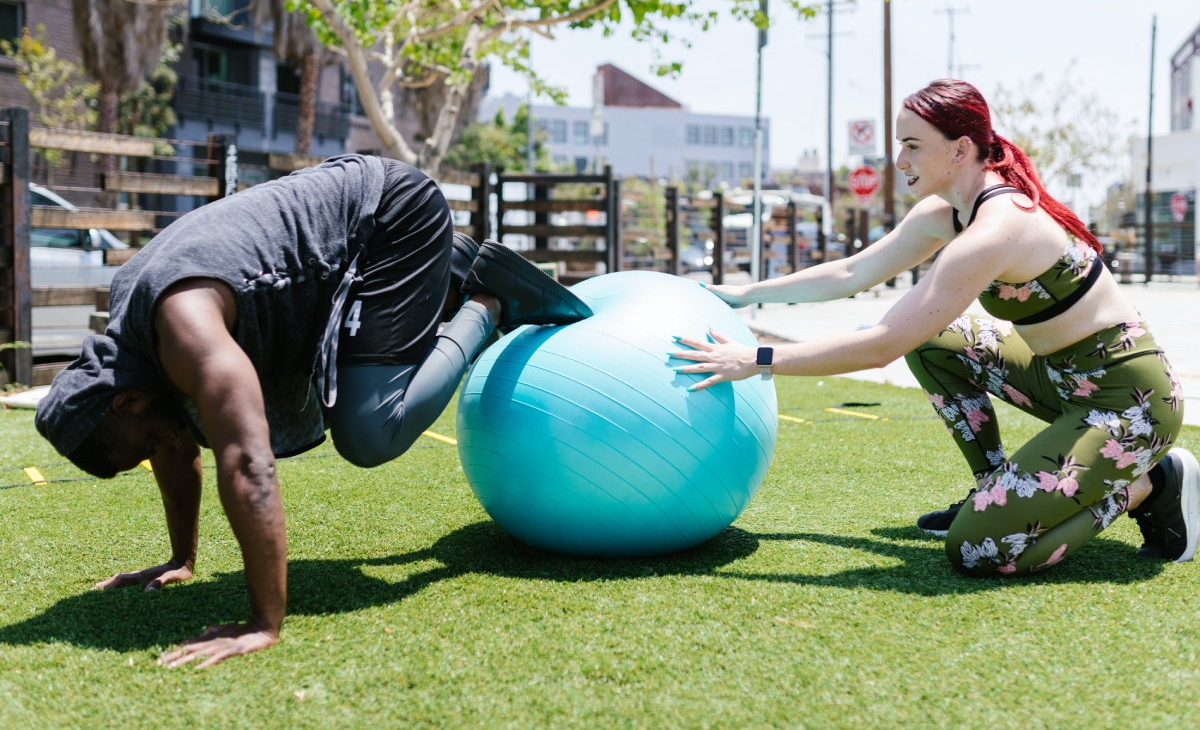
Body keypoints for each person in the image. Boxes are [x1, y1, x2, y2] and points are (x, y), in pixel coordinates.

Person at [34, 154, 592, 667]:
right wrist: (182, 559)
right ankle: (447, 273)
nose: (167, 449)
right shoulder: (131, 346)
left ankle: (486, 302)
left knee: (371, 430)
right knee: (303, 406)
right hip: (342, 240)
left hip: (388, 214)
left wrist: (261, 622)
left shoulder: (183, 326)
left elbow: (249, 464)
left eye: (148, 444)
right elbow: (179, 450)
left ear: (126, 400)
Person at [672, 79, 1198, 577]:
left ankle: (1151, 485)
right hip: (1059, 380)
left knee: (976, 549)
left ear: (959, 148)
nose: (899, 161)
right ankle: (991, 487)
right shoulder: (949, 212)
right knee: (935, 341)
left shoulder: (998, 226)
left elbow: (884, 344)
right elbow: (853, 272)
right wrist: (743, 293)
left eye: (911, 145)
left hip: (1128, 402)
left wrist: (759, 359)